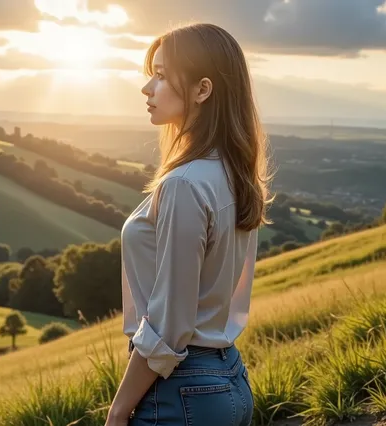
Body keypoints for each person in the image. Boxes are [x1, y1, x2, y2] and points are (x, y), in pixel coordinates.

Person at [104, 22, 273, 426]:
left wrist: (118, 410)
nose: (147, 88)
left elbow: (169, 326)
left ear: (202, 90)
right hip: (229, 377)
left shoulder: (183, 184)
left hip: (181, 390)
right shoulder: (235, 174)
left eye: (161, 76)